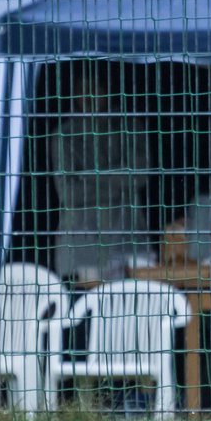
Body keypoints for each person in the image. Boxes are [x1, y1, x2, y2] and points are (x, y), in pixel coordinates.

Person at [49, 63, 153, 284]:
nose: (87, 96)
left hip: (128, 237)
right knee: (91, 311)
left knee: (140, 308)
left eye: (94, 88)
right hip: (82, 243)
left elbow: (139, 176)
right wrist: (118, 178)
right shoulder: (64, 135)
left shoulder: (130, 125)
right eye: (81, 90)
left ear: (107, 90)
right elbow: (69, 193)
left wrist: (87, 175)